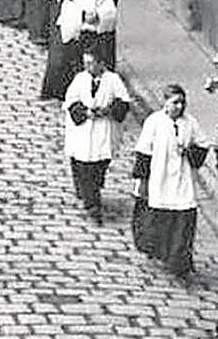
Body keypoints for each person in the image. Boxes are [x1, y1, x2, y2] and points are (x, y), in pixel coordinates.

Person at [132, 84, 211, 279]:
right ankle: (160, 250)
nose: (179, 107)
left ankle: (179, 259)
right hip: (159, 177)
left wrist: (190, 152)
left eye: (182, 102)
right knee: (159, 216)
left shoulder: (190, 123)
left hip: (182, 178)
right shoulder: (155, 122)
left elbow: (202, 145)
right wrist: (143, 180)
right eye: (174, 102)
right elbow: (144, 151)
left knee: (184, 215)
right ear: (165, 103)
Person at [63, 43, 130, 225]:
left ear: (101, 63)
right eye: (85, 63)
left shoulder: (113, 80)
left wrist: (108, 110)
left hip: (102, 132)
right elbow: (70, 102)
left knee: (98, 166)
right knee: (84, 167)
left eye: (91, 63)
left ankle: (90, 191)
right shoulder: (80, 79)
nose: (87, 67)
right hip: (83, 132)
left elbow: (123, 103)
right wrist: (85, 112)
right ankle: (93, 206)